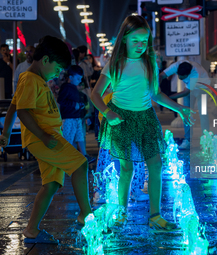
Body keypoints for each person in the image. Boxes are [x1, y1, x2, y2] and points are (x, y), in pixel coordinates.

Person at [91, 15, 194, 231]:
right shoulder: (115, 64)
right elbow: (95, 95)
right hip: (121, 119)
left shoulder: (150, 63)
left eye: (144, 41)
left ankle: (155, 215)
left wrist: (180, 108)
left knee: (155, 165)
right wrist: (107, 113)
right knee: (126, 169)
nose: (141, 45)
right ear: (125, 38)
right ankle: (121, 212)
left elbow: (155, 94)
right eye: (136, 40)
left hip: (146, 118)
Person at [0, 35, 92, 243]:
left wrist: (5, 133)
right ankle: (85, 213)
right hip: (44, 138)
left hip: (46, 137)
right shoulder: (31, 79)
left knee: (51, 184)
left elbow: (14, 106)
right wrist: (42, 135)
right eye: (57, 69)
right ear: (46, 60)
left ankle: (32, 230)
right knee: (80, 164)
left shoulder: (33, 79)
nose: (57, 74)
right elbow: (23, 112)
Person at [159, 60, 210, 149]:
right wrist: (157, 89)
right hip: (189, 89)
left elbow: (185, 92)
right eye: (178, 75)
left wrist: (166, 98)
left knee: (203, 114)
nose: (179, 77)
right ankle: (188, 140)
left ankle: (206, 140)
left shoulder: (195, 73)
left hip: (203, 88)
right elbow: (161, 75)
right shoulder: (176, 66)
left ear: (189, 74)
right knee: (186, 112)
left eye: (182, 76)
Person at [57, 65, 96, 163]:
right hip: (69, 118)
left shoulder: (73, 88)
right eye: (78, 78)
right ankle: (66, 157)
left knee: (79, 136)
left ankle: (84, 156)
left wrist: (79, 106)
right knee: (68, 138)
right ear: (70, 78)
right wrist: (74, 105)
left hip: (76, 117)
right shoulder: (66, 88)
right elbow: (61, 100)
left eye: (80, 78)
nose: (80, 80)